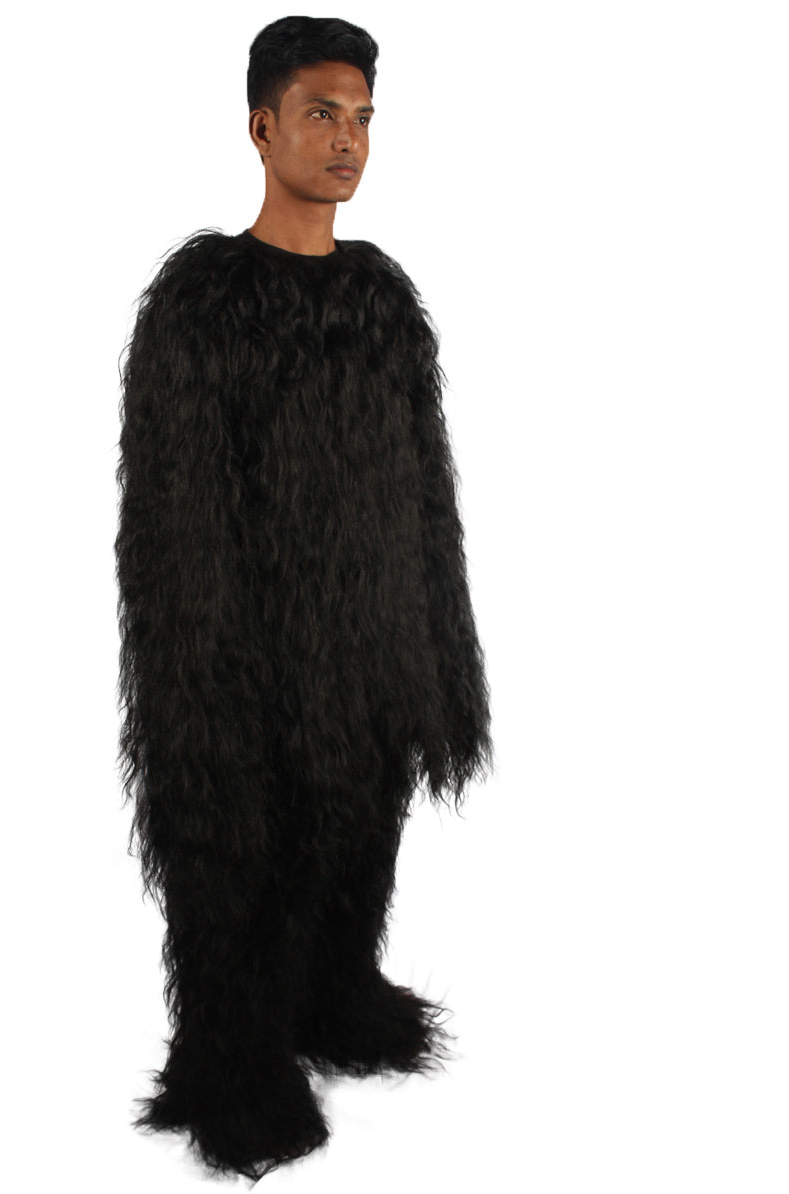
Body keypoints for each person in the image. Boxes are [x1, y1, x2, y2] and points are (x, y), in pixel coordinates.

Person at [114, 15, 494, 1181]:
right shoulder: (202, 303)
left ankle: (331, 1002)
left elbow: (426, 489)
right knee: (243, 863)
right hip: (251, 662)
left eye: (363, 117)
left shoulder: (381, 300)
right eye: (322, 114)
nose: (347, 140)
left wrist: (439, 656)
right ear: (260, 126)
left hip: (373, 656)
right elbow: (175, 520)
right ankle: (234, 1068)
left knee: (356, 845)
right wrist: (210, 684)